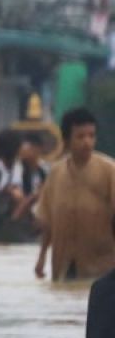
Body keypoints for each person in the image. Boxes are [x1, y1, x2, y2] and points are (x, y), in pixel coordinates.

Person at [35, 107, 115, 281]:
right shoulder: (55, 174)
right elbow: (47, 221)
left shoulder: (109, 170)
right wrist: (41, 257)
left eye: (91, 136)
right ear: (66, 140)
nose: (87, 142)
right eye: (80, 136)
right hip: (64, 263)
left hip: (102, 265)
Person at [9, 135, 48, 224]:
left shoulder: (44, 169)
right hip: (25, 206)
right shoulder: (18, 167)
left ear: (38, 149)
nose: (23, 151)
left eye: (28, 148)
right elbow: (15, 189)